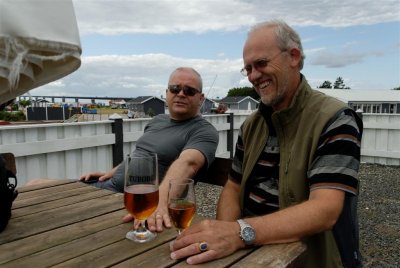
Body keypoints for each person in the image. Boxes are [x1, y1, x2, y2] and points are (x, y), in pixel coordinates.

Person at [169, 20, 363, 268]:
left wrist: (239, 234)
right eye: (247, 69)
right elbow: (233, 187)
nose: (253, 76)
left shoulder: (335, 119)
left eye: (260, 64)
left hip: (306, 258)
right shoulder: (253, 125)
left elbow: (324, 209)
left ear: (293, 57)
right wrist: (224, 236)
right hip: (250, 252)